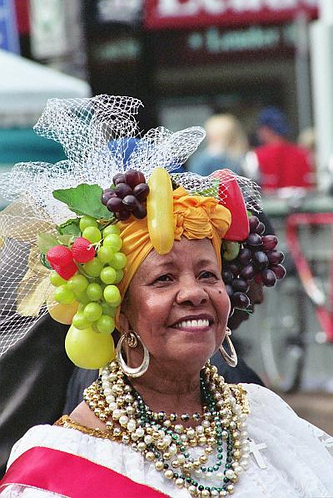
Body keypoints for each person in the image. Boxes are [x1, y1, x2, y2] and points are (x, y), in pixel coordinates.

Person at [0, 95, 332, 497]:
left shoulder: (265, 415)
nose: (194, 292)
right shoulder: (62, 464)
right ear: (117, 313)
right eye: (163, 279)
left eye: (208, 274)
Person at [249, 107, 315, 193]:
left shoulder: (255, 156)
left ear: (266, 130)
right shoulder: (304, 154)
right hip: (302, 205)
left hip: (269, 205)